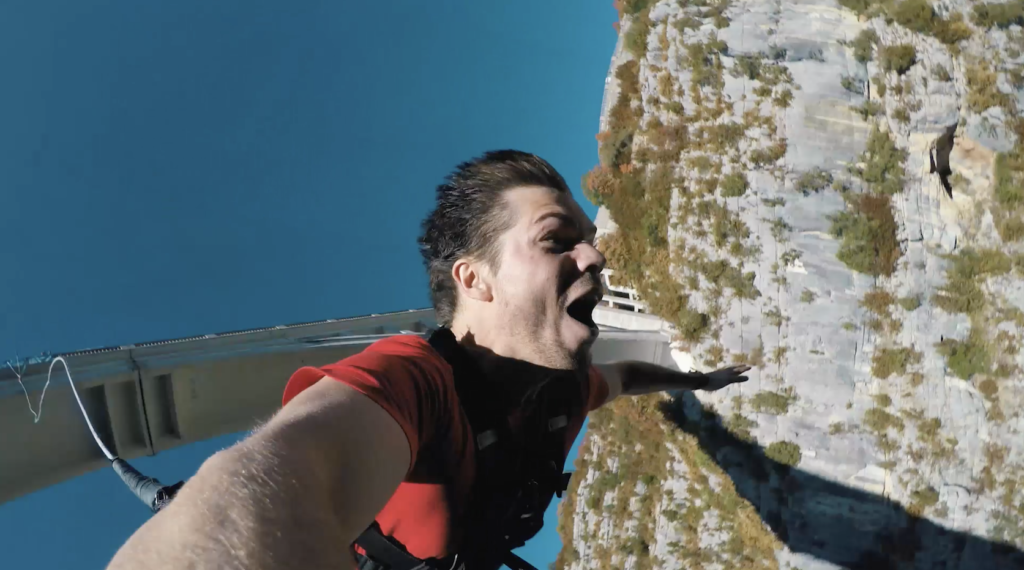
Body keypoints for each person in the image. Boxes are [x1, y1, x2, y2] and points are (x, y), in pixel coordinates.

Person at [105, 150, 751, 570]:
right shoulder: (415, 379)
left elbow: (626, 375)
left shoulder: (558, 391)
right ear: (475, 280)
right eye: (559, 240)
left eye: (587, 242)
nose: (595, 257)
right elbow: (276, 479)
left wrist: (696, 379)